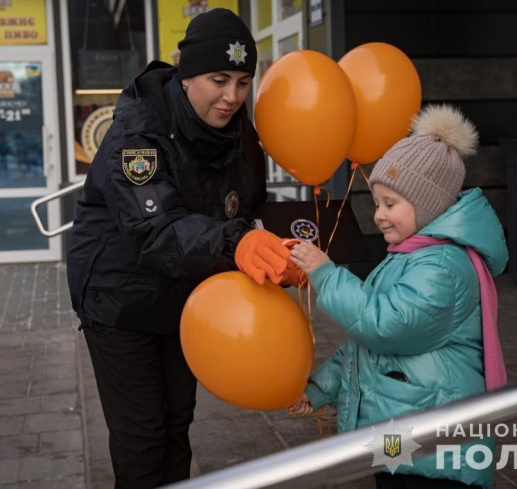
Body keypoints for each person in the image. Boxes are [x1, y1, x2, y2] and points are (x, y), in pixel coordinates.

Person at [67, 9, 299, 488]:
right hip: (120, 297)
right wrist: (238, 242)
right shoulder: (138, 135)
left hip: (185, 292)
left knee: (177, 425)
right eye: (219, 79)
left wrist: (285, 243)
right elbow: (156, 230)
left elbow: (250, 203)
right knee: (142, 437)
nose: (232, 97)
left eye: (242, 81)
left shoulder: (238, 132)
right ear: (186, 71)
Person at [288, 105, 508, 489]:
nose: (379, 215)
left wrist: (326, 274)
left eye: (392, 204)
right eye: (377, 203)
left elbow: (386, 326)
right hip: (400, 432)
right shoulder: (407, 257)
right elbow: (365, 346)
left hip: (436, 448)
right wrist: (321, 386)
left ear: (429, 207)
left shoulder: (442, 266)